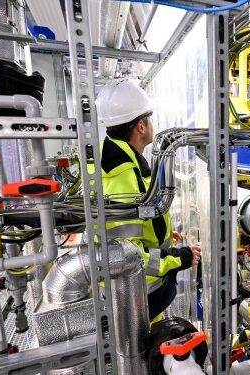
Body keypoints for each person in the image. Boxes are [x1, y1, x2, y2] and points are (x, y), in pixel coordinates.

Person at [94, 79, 201, 321]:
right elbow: (125, 255)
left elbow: (136, 221)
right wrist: (178, 258)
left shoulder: (125, 161)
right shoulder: (119, 174)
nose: (152, 124)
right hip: (135, 295)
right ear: (140, 126)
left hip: (137, 291)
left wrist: (162, 236)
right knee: (141, 353)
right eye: (149, 118)